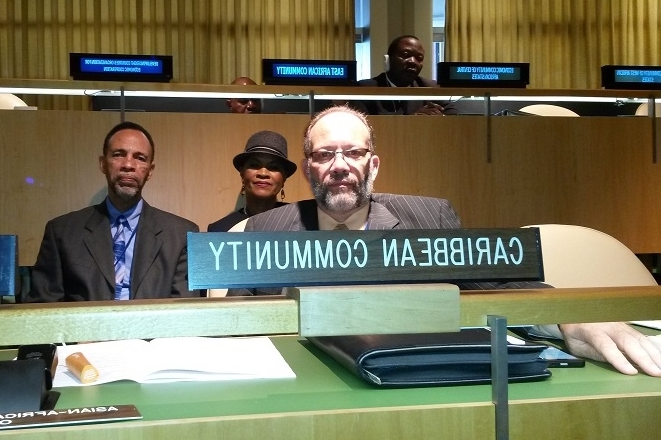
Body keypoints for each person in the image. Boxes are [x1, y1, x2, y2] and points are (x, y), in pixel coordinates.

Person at [232, 105, 661, 377]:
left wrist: (571, 318)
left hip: (414, 381)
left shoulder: (429, 217)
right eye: (325, 155)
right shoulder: (265, 229)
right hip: (301, 380)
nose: (340, 166)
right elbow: (233, 323)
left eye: (354, 153)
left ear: (374, 164)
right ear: (307, 169)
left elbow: (500, 286)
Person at [25, 121, 199, 302]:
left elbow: (184, 312)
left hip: (154, 330)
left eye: (140, 158)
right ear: (103, 164)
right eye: (118, 155)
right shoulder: (62, 232)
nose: (128, 165)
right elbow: (43, 308)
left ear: (150, 171)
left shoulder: (181, 235)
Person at [207, 130, 297, 232]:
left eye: (273, 167)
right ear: (242, 173)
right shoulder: (220, 230)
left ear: (284, 177)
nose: (263, 173)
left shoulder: (301, 223)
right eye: (254, 165)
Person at [356, 35, 455, 116]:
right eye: (405, 55)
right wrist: (410, 120)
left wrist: (440, 117)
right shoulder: (366, 89)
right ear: (388, 60)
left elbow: (454, 112)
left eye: (419, 58)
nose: (413, 62)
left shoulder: (429, 87)